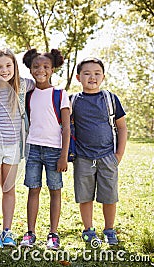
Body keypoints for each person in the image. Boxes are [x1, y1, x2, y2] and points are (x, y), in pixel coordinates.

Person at [0, 48, 34, 248]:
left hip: (13, 145)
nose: (4, 70)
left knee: (9, 188)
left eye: (8, 65)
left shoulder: (24, 85)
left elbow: (45, 83)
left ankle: (8, 231)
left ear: (15, 67)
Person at [20, 49, 70, 250]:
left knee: (54, 191)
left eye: (45, 67)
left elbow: (66, 127)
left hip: (54, 151)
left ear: (52, 69)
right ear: (30, 69)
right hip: (33, 149)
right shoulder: (28, 95)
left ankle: (53, 234)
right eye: (36, 66)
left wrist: (64, 156)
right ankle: (30, 233)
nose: (41, 70)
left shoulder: (60, 94)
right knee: (33, 189)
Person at [73, 57, 127, 245]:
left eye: (97, 73)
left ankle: (109, 230)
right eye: (87, 73)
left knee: (109, 196)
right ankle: (88, 230)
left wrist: (118, 155)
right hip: (83, 157)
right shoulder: (73, 101)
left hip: (107, 156)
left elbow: (122, 127)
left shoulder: (110, 99)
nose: (92, 77)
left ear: (103, 77)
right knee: (85, 196)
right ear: (79, 77)